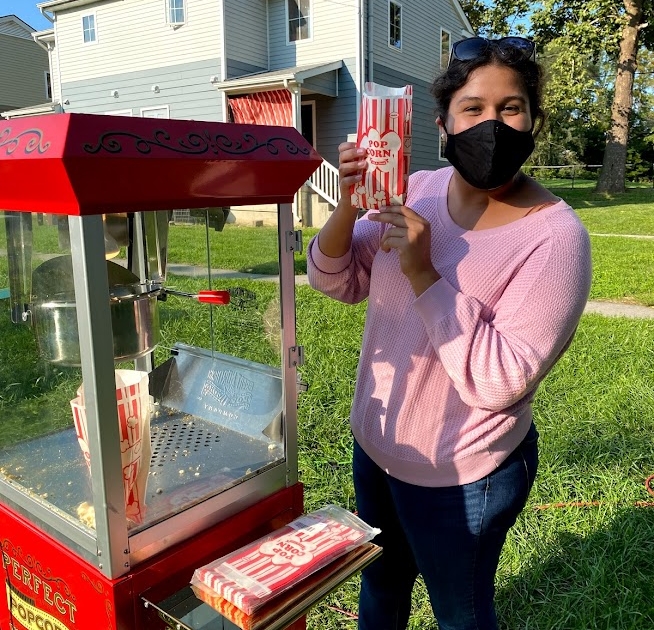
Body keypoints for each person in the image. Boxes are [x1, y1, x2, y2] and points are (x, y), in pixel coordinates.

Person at [306, 36, 592, 630]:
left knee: (458, 613)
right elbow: (335, 279)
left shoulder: (556, 238)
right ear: (443, 124)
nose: (493, 124)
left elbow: (500, 379)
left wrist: (423, 272)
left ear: (533, 120)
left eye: (511, 108)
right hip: (378, 450)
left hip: (462, 477)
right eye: (473, 108)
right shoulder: (418, 191)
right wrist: (346, 206)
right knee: (381, 590)